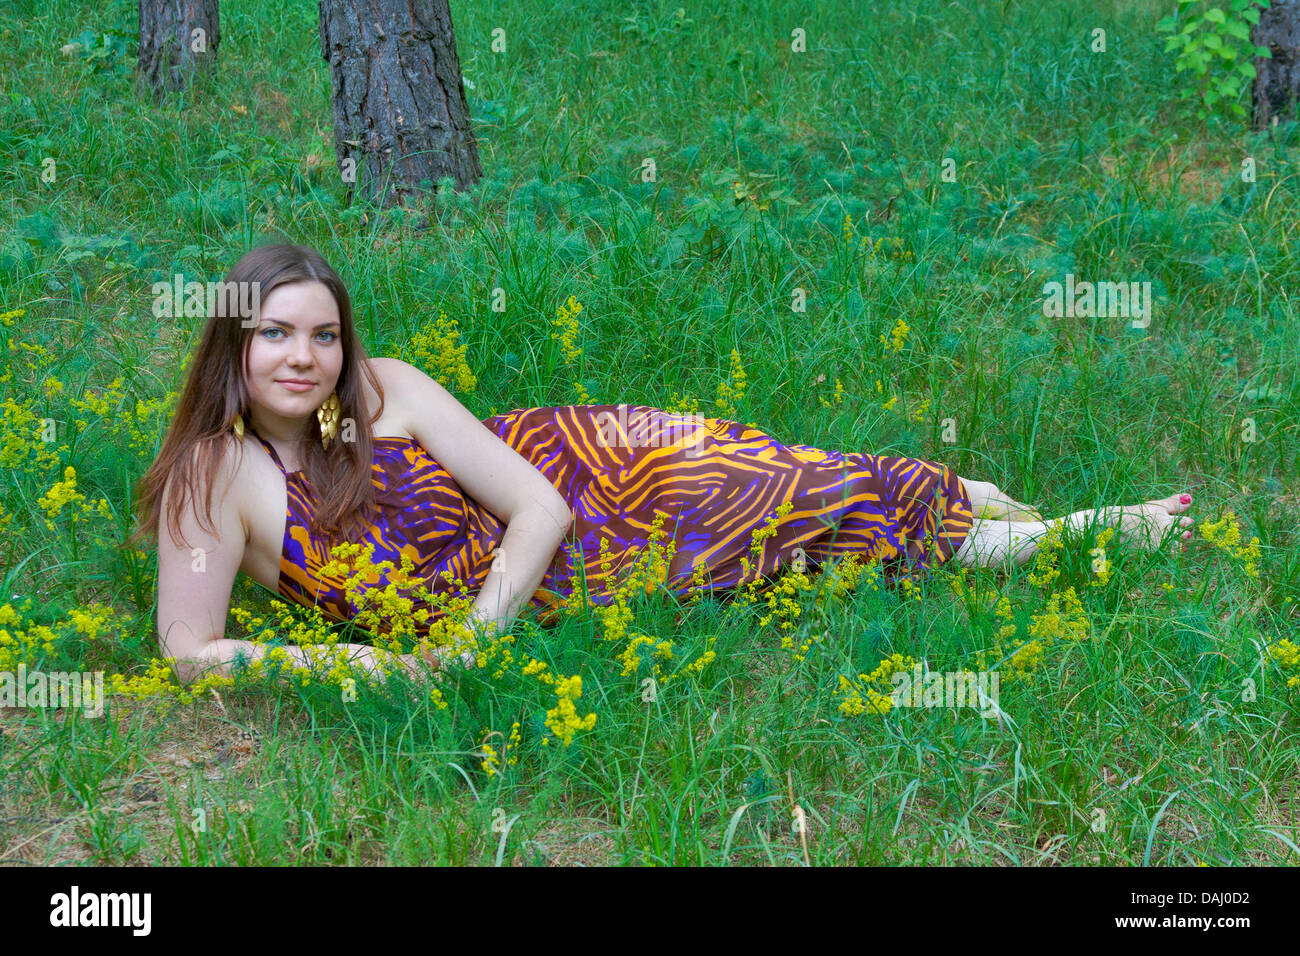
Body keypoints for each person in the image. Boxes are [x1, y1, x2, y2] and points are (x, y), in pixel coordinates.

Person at [130, 243, 1195, 684]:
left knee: (764, 477)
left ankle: (986, 507)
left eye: (322, 334)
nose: (303, 358)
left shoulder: (387, 388)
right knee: (787, 543)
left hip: (576, 476)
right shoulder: (211, 477)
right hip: (554, 580)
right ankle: (1032, 532)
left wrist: (463, 645)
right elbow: (188, 646)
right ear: (232, 341)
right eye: (275, 334)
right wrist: (356, 665)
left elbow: (537, 501)